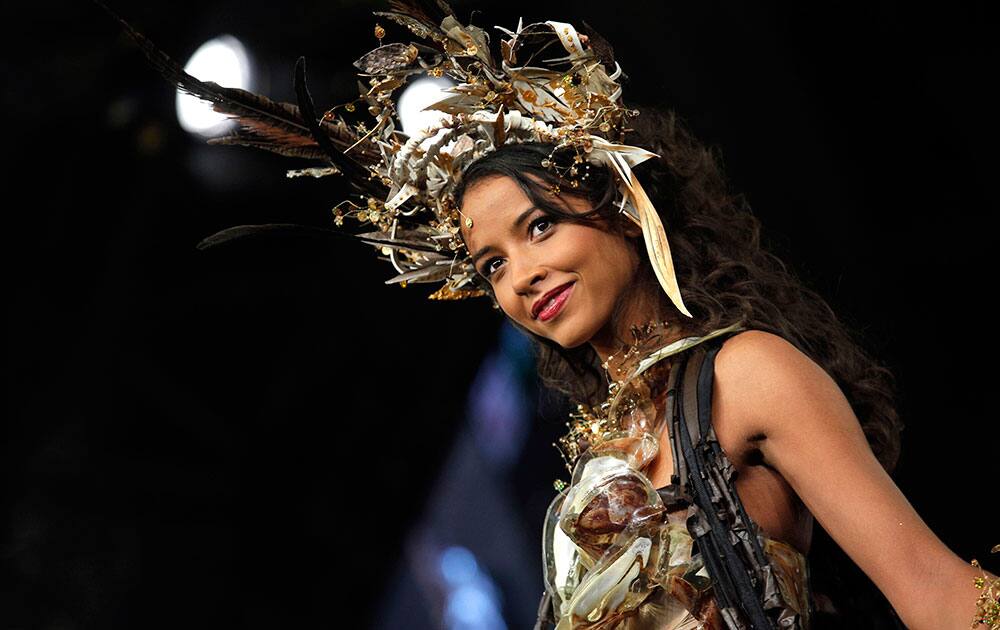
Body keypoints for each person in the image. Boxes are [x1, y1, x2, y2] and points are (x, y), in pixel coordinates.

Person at [101, 1, 998, 627]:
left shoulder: (746, 374)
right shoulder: (598, 445)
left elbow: (936, 596)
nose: (523, 274)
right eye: (493, 262)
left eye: (539, 226)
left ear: (615, 201)